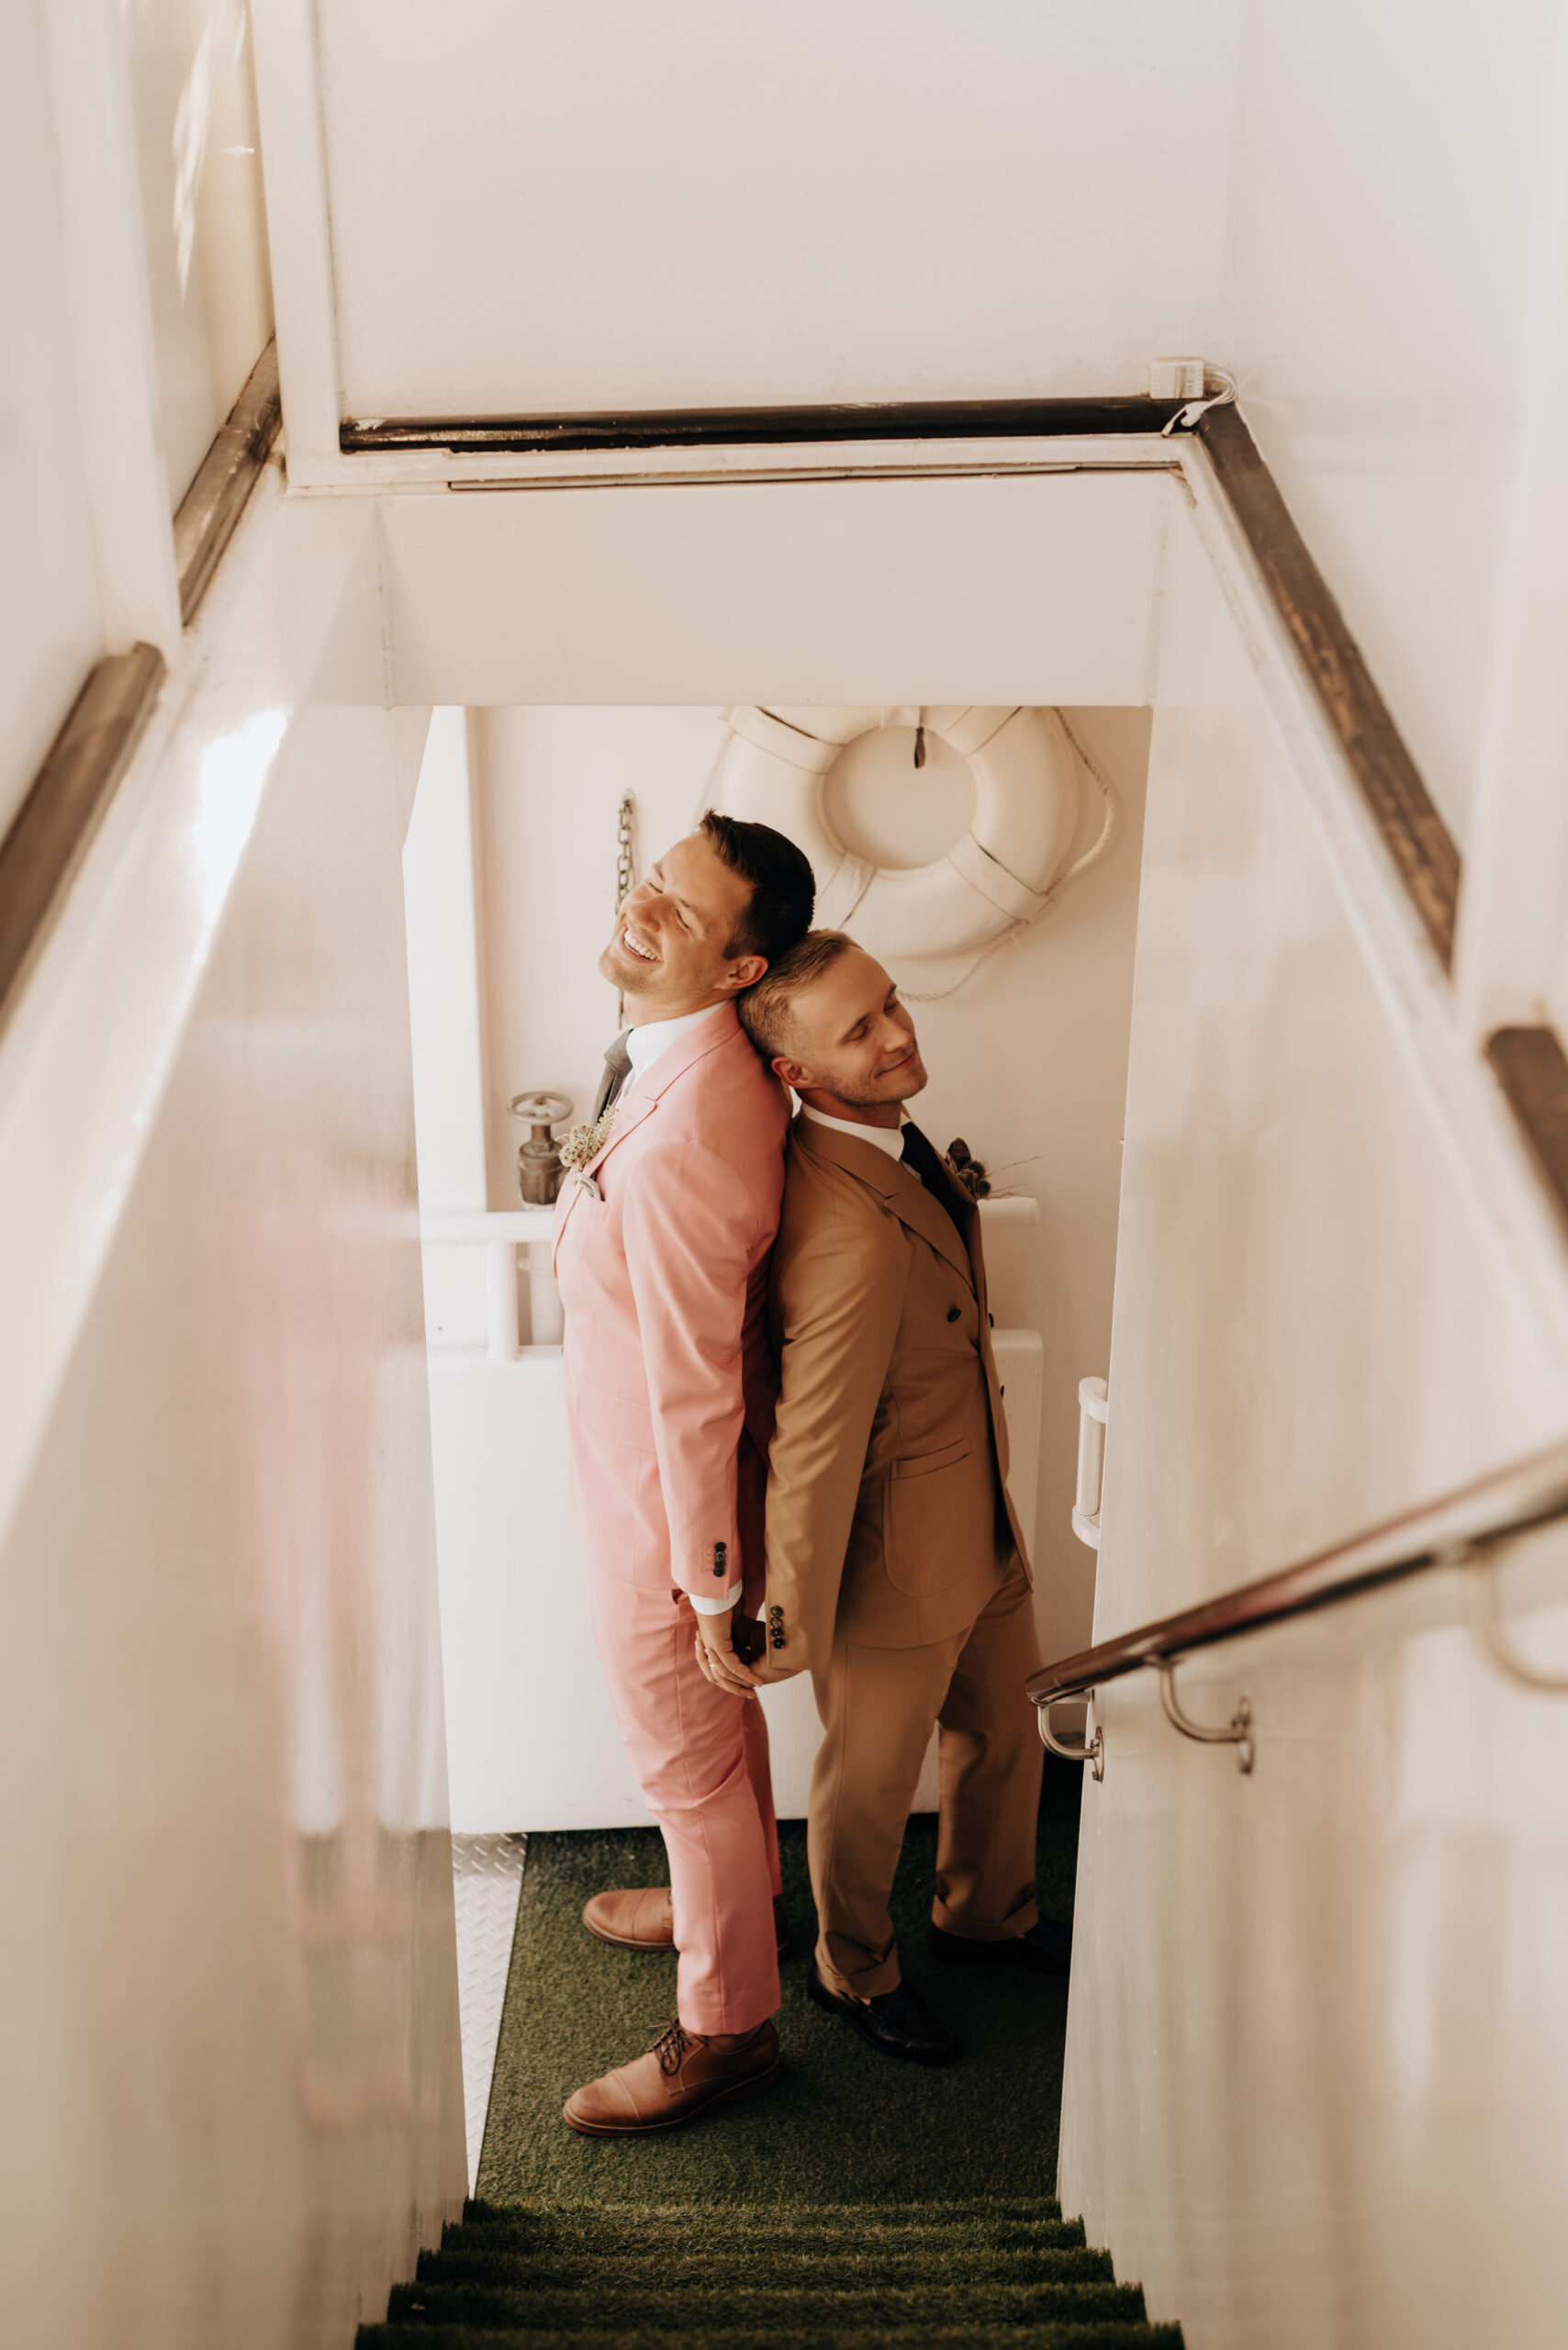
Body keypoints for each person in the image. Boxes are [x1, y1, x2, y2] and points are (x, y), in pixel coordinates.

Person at [722, 928, 1064, 2065]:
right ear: (795, 1073)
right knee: (868, 1782)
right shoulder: (846, 1234)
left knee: (1007, 1723)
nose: (898, 1033)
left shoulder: (894, 1143)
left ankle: (984, 1912)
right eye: (859, 1030)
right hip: (897, 1560)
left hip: (980, 1520)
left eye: (893, 1004)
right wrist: (793, 1618)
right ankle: (852, 1969)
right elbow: (812, 1442)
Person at [552, 811, 814, 2135]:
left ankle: (727, 2028)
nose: (642, 913)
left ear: (740, 974)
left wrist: (710, 1586)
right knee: (714, 1755)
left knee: (686, 1766)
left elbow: (702, 1374)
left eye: (683, 913)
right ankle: (744, 1906)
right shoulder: (678, 1060)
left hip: (665, 1514)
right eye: (651, 885)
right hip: (631, 1472)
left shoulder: (697, 1124)